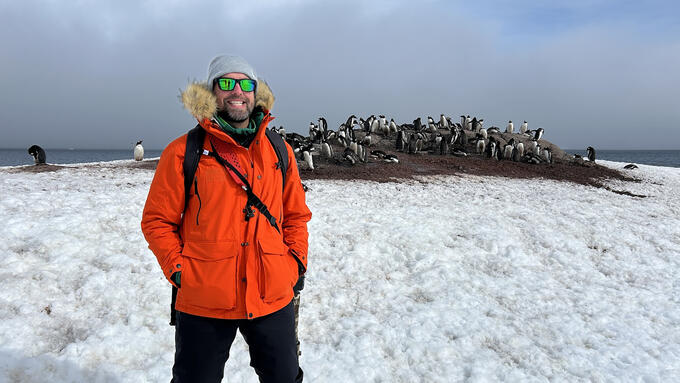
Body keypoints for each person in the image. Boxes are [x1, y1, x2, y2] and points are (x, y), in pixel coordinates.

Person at [141, 55, 311, 383]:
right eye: (226, 83)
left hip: (271, 291)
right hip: (204, 297)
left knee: (284, 377)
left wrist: (295, 264)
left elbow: (295, 216)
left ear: (255, 92)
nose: (237, 91)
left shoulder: (279, 150)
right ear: (211, 91)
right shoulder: (182, 151)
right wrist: (181, 272)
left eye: (245, 84)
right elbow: (157, 221)